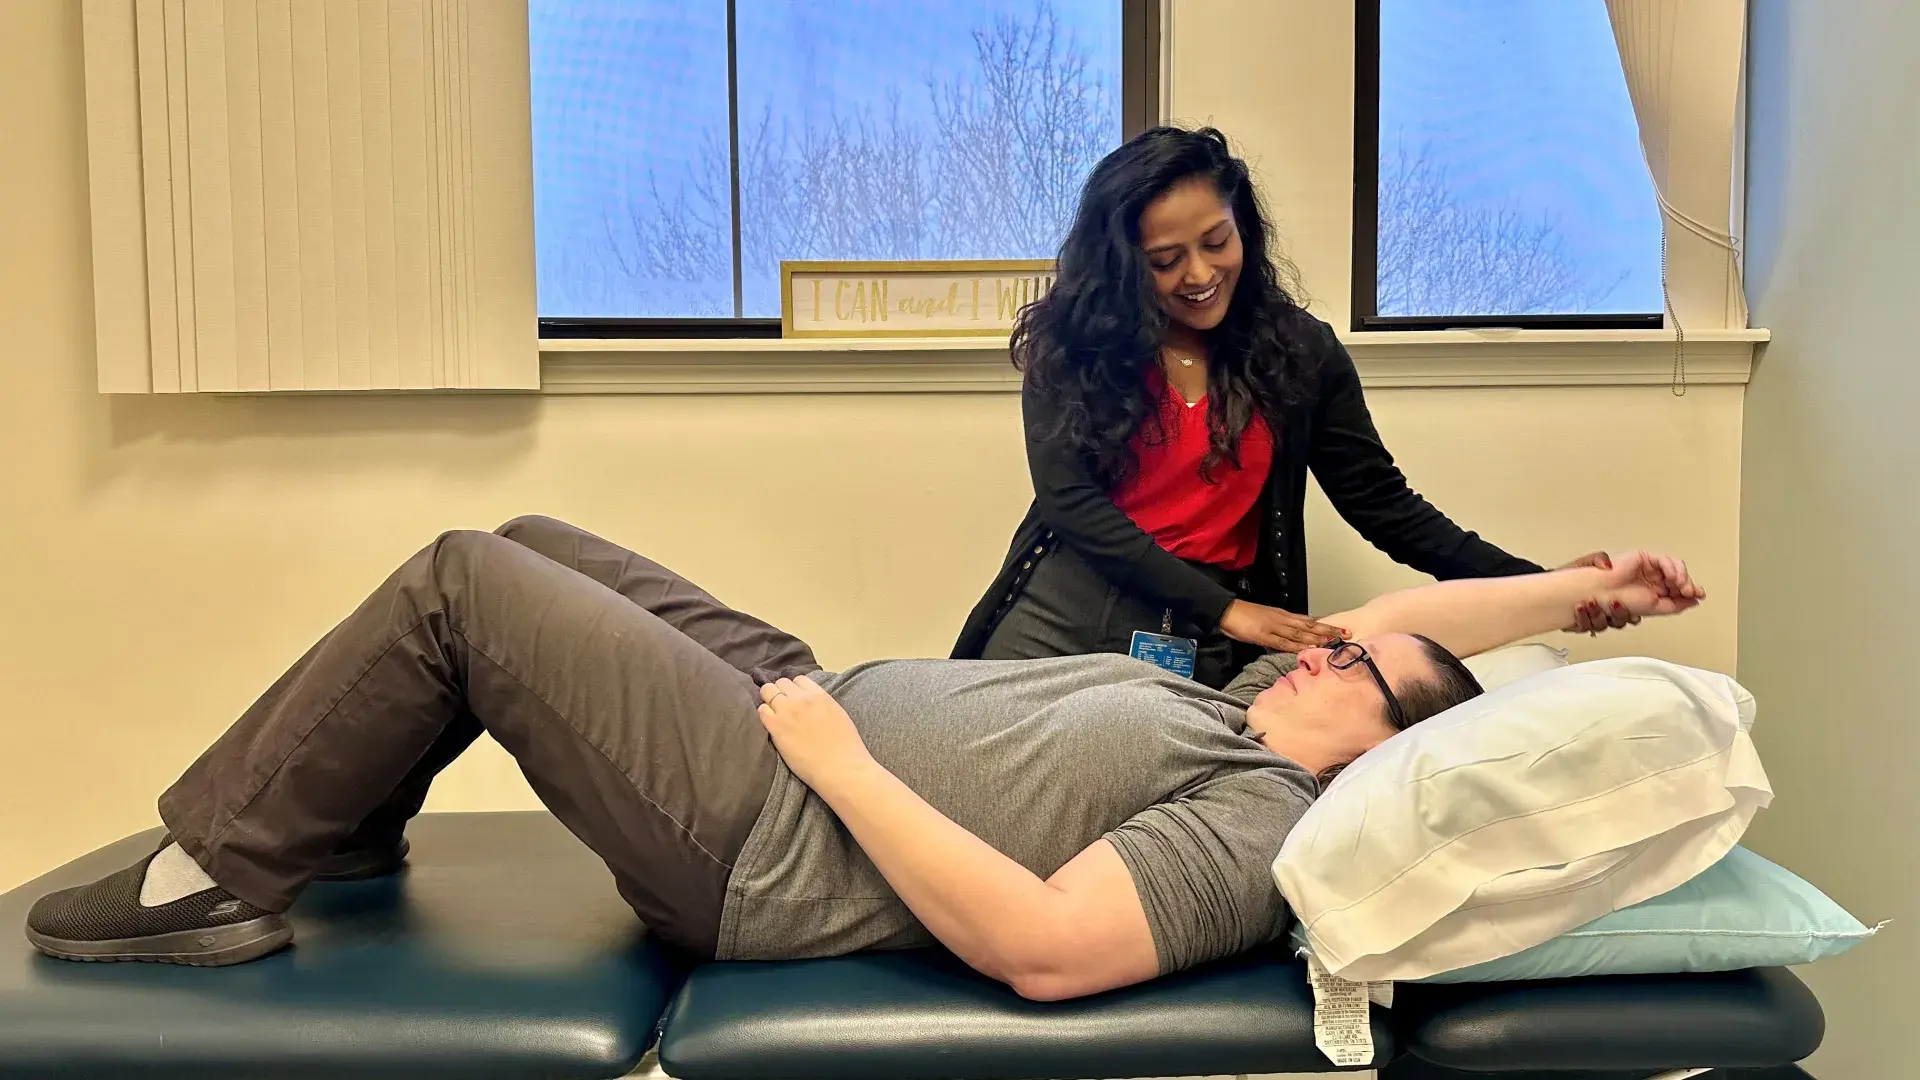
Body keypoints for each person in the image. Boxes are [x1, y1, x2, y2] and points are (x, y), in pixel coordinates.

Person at [25, 516, 1702, 1001]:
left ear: (1379, 756)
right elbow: (1423, 624)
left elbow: (1043, 954)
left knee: (468, 585)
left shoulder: (1259, 818)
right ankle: (348, 823)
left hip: (760, 832)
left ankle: (222, 875)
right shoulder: (1252, 712)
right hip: (794, 710)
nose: (1330, 639)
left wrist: (831, 761)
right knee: (532, 540)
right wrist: (1580, 594)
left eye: (1360, 665)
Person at [953, 126, 1631, 688]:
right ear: (1123, 264)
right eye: (1164, 260)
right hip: (1061, 618)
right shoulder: (1073, 344)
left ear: (1242, 225)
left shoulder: (1302, 355)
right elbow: (1072, 505)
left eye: (1216, 241)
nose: (1198, 274)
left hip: (1202, 635)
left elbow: (1386, 508)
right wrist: (1227, 611)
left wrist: (1540, 589)